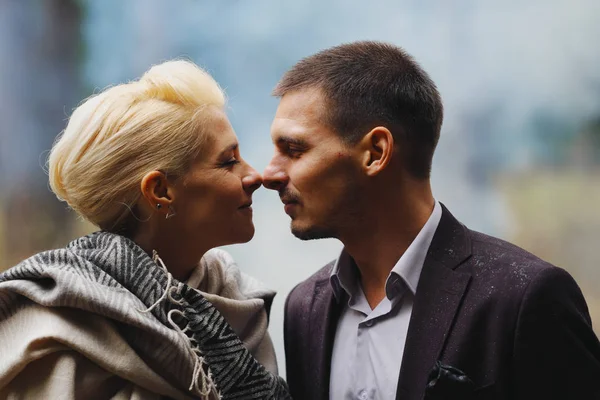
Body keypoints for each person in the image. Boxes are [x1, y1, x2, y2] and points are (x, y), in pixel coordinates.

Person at [263, 41, 600, 400]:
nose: (269, 173)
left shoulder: (524, 298)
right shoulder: (304, 308)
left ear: (376, 152)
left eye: (294, 150)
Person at [0, 60, 290, 400]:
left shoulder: (241, 305)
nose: (255, 176)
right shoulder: (53, 334)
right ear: (161, 191)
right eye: (228, 161)